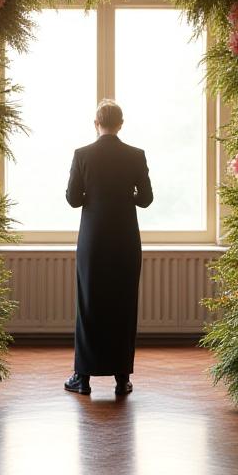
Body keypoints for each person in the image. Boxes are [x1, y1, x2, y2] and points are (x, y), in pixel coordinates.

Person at [64, 99, 153, 396]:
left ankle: (83, 378)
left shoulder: (82, 155)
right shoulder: (135, 155)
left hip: (93, 239)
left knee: (89, 304)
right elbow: (146, 199)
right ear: (121, 124)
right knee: (123, 304)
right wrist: (127, 193)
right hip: (125, 238)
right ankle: (121, 378)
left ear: (96, 123)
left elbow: (74, 199)